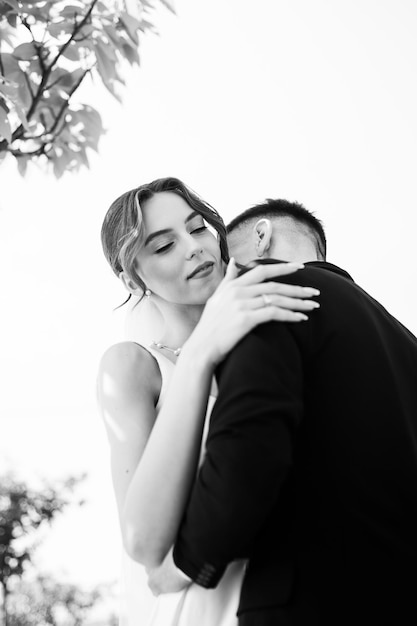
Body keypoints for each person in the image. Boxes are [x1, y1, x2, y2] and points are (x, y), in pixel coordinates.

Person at [150, 198, 417, 625]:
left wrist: (185, 563)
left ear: (262, 236)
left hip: (312, 602)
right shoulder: (403, 339)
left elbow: (250, 449)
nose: (217, 269)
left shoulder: (262, 291)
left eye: (224, 252)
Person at [97, 180, 321, 626]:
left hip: (295, 588)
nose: (194, 248)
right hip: (197, 598)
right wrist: (199, 354)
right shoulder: (132, 368)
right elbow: (145, 542)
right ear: (132, 277)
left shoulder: (269, 337)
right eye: (163, 246)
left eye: (198, 229)